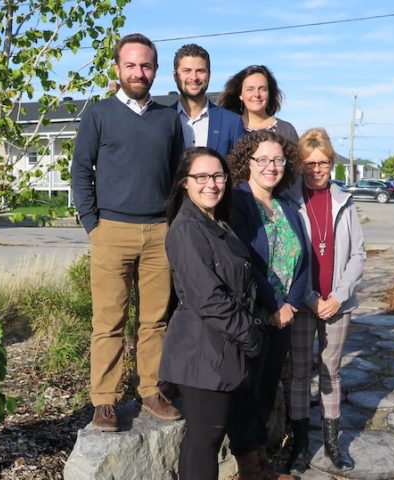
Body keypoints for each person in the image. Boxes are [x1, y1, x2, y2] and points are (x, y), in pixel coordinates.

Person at [71, 33, 184, 432]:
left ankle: (151, 390)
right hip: (111, 231)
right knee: (109, 322)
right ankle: (105, 401)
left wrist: (173, 223)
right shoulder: (98, 114)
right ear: (117, 69)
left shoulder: (168, 117)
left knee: (154, 322)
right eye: (131, 65)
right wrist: (92, 225)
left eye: (146, 65)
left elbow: (177, 176)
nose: (139, 72)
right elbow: (81, 171)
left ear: (155, 69)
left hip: (158, 232)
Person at [160, 147, 262, 480]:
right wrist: (251, 335)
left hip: (221, 346)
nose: (211, 184)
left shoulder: (215, 220)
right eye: (201, 177)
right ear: (185, 183)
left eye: (218, 176)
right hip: (202, 351)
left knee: (204, 439)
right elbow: (208, 298)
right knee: (206, 440)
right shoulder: (187, 229)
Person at [227, 130, 308, 480]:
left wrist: (291, 303)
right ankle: (249, 466)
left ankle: (262, 461)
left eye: (278, 159)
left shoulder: (287, 207)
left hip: (283, 318)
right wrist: (274, 304)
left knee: (266, 388)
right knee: (246, 390)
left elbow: (303, 261)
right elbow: (244, 261)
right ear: (248, 162)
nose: (271, 167)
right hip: (253, 316)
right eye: (263, 159)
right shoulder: (237, 202)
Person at [284, 128, 366, 473]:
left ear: (332, 163)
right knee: (300, 373)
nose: (317, 169)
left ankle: (333, 442)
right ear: (301, 165)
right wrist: (312, 298)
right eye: (310, 163)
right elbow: (288, 257)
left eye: (323, 162)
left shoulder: (344, 201)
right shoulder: (289, 201)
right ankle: (301, 443)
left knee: (331, 370)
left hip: (337, 304)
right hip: (304, 303)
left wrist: (338, 296)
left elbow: (358, 254)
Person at [171, 44, 244, 157]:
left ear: (209, 75)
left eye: (200, 71)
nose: (194, 77)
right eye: (187, 71)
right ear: (175, 76)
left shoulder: (232, 123)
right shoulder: (162, 121)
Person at [218, 65, 299, 143]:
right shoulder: (229, 129)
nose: (257, 94)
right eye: (250, 89)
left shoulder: (287, 130)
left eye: (262, 89)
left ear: (269, 93)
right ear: (240, 95)